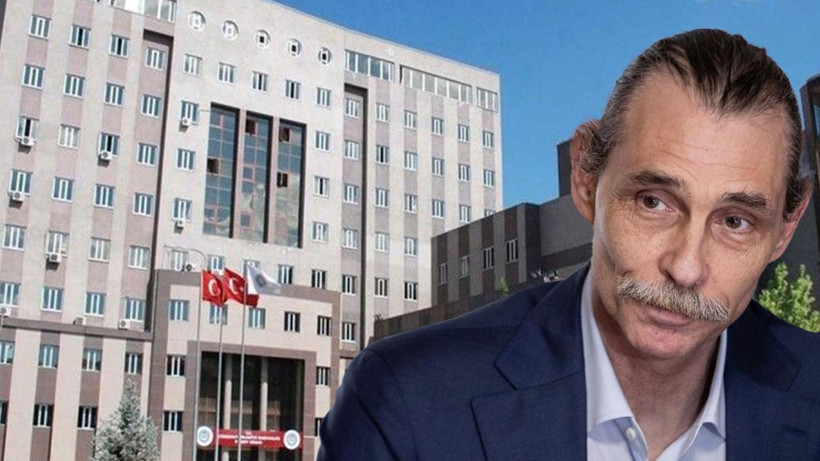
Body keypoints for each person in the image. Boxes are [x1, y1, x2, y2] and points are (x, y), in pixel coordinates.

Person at [318, 29, 820, 460]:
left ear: (785, 228)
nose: (686, 268)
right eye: (653, 202)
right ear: (585, 177)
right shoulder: (407, 402)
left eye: (735, 221)